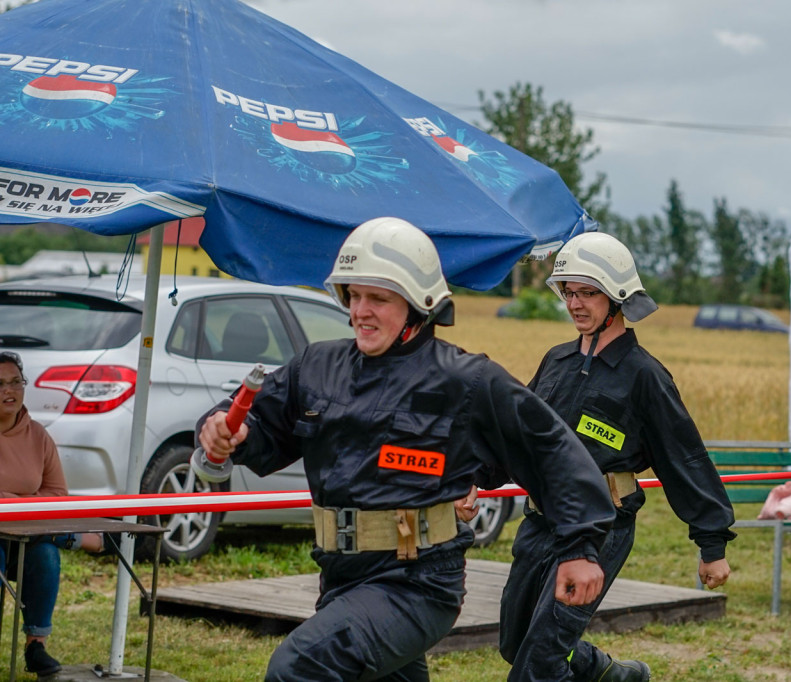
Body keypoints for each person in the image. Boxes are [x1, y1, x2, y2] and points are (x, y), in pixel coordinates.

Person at [196, 217, 616, 682]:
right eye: (353, 295)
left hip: (417, 584)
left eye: (378, 298)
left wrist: (581, 547)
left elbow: (550, 450)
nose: (361, 311)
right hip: (340, 578)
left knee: (299, 668)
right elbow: (255, 423)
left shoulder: (467, 381)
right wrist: (223, 432)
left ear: (420, 304)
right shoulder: (316, 366)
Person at [497, 232, 737, 682]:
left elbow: (683, 458)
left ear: (618, 297)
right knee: (515, 643)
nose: (575, 303)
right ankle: (610, 675)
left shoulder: (644, 376)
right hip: (540, 524)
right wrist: (471, 478)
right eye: (569, 292)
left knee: (539, 664)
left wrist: (712, 544)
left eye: (588, 292)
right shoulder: (556, 361)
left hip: (599, 530)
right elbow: (517, 437)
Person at [0, 351, 105, 677]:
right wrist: (26, 499)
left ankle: (36, 646)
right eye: (0, 384)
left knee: (45, 555)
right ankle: (74, 538)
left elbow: (57, 496)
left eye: (16, 382)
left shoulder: (39, 437)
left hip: (24, 533)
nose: (10, 391)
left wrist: (12, 500)